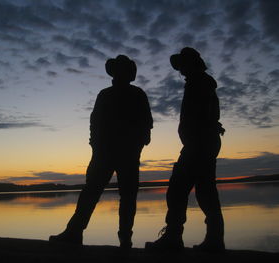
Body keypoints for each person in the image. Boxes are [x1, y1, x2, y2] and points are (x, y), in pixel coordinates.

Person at [49, 55, 153, 249]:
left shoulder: (136, 94)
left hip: (126, 153)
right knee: (92, 192)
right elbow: (95, 122)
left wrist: (138, 143)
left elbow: (147, 124)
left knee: (125, 196)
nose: (120, 75)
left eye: (123, 70)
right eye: (118, 70)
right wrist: (96, 145)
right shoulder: (105, 94)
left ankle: (124, 238)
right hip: (105, 153)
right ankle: (75, 232)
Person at [145, 47, 226, 253]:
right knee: (203, 190)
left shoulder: (200, 83)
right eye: (179, 65)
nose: (180, 69)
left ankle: (174, 238)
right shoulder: (198, 82)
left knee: (179, 189)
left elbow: (206, 113)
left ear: (191, 64)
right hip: (200, 142)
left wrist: (200, 133)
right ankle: (212, 240)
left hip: (199, 143)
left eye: (182, 64)